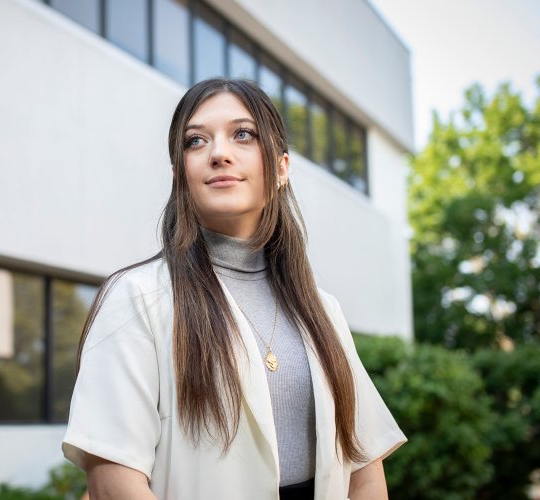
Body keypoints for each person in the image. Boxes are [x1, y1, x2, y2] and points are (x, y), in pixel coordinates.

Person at [62, 78, 406, 499]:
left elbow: (363, 464)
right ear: (179, 175)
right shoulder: (136, 299)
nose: (219, 153)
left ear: (281, 168)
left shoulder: (322, 309)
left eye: (242, 134)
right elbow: (114, 479)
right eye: (195, 141)